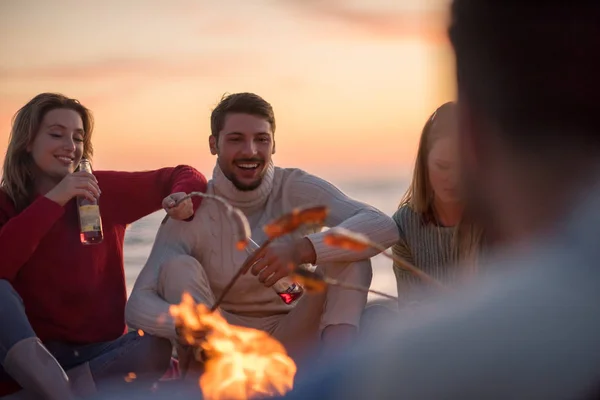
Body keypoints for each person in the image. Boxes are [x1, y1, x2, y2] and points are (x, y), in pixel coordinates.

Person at [279, 0, 600, 399]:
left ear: (475, 142)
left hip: (465, 336)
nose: (451, 178)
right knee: (379, 316)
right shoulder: (409, 223)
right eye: (441, 166)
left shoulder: (531, 292)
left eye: (456, 165)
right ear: (426, 168)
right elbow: (414, 300)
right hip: (449, 327)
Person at [125, 92, 399, 378]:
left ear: (274, 144)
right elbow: (137, 305)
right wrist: (190, 324)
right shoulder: (190, 208)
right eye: (235, 139)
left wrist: (300, 250)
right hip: (223, 350)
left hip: (294, 336)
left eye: (261, 139)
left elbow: (382, 225)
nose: (250, 151)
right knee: (177, 267)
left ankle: (334, 379)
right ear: (213, 144)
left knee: (351, 252)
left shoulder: (296, 188)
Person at [0, 93, 208, 399]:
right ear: (27, 142)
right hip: (28, 358)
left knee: (153, 347)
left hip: (99, 355)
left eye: (78, 137)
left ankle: (49, 392)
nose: (70, 146)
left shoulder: (99, 191)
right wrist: (56, 199)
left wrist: (182, 198)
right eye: (57, 134)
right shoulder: (6, 204)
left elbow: (183, 175)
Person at [392, 101, 483, 306]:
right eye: (443, 166)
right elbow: (410, 308)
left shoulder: (495, 219)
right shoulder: (404, 226)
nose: (453, 179)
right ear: (424, 164)